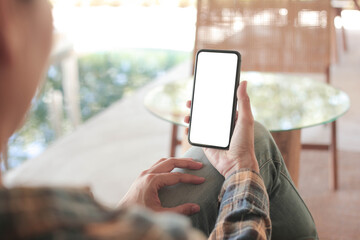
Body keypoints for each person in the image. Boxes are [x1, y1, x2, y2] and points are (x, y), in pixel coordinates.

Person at [0, 0, 318, 239]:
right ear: (8, 32)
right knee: (256, 142)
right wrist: (241, 170)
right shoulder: (60, 221)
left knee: (253, 138)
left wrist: (122, 209)